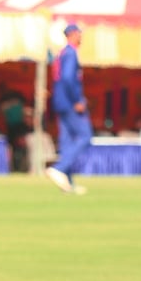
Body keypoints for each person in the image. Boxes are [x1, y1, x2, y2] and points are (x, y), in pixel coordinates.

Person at [47, 23, 92, 194]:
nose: (81, 36)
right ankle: (59, 168)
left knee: (66, 141)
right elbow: (67, 78)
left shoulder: (62, 53)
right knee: (85, 135)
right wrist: (76, 100)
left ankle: (67, 182)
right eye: (79, 33)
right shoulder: (71, 53)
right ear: (72, 34)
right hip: (69, 102)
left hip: (60, 102)